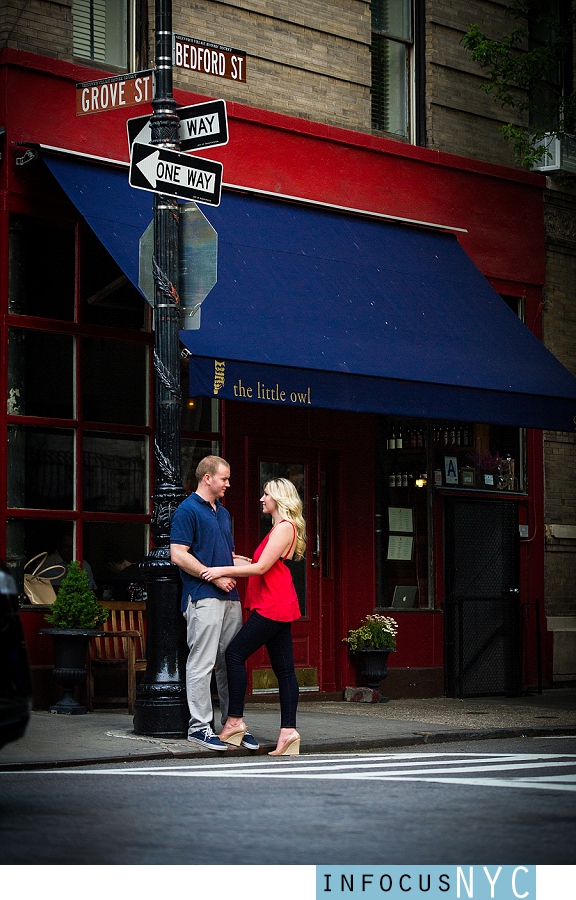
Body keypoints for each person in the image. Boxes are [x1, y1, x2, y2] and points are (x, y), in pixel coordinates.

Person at [201, 477, 306, 757]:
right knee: (284, 670)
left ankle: (234, 720)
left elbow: (261, 570)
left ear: (279, 499)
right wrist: (241, 561)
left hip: (273, 604)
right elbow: (264, 565)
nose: (262, 498)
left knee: (234, 654)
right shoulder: (280, 528)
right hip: (277, 601)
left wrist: (222, 570)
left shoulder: (284, 527)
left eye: (266, 494)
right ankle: (288, 732)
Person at [170, 456, 259, 752]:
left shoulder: (222, 513)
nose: (228, 484)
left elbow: (223, 555)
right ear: (207, 478)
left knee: (228, 662)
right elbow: (178, 554)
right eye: (224, 478)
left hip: (230, 596)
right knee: (203, 662)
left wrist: (249, 563)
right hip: (203, 596)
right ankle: (199, 727)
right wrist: (213, 578)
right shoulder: (187, 510)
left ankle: (231, 726)